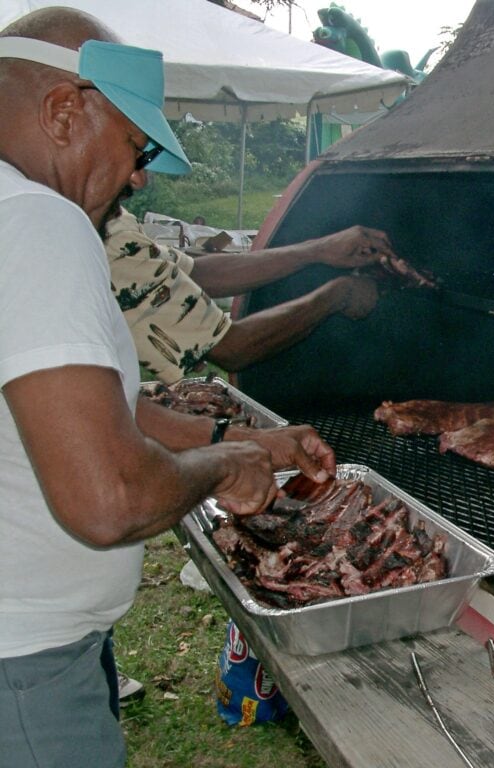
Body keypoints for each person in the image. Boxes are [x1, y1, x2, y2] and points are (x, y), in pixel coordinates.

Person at [0, 9, 337, 766]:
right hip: (23, 674)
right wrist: (228, 468)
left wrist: (246, 440)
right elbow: (109, 499)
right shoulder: (36, 223)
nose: (142, 176)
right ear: (64, 111)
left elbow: (92, 412)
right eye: (137, 145)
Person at [104, 206, 388, 383]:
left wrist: (318, 250)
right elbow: (231, 347)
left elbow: (195, 274)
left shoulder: (111, 224)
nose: (141, 177)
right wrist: (336, 296)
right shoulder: (96, 238)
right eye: (136, 151)